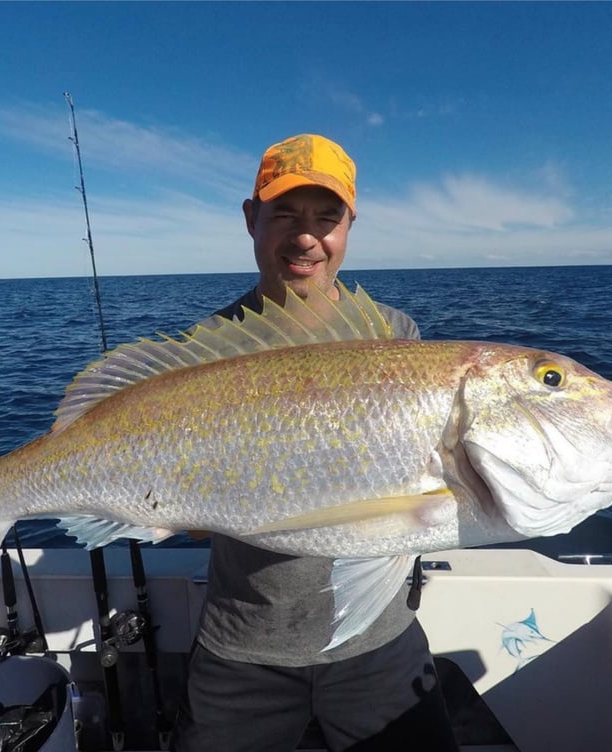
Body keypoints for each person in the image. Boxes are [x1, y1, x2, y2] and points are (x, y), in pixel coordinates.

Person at [172, 134, 458, 752]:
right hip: (241, 643)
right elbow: (191, 511)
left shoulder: (396, 337)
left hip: (379, 642)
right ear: (252, 219)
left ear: (349, 225)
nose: (307, 237)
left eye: (327, 218)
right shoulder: (205, 351)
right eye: (285, 215)